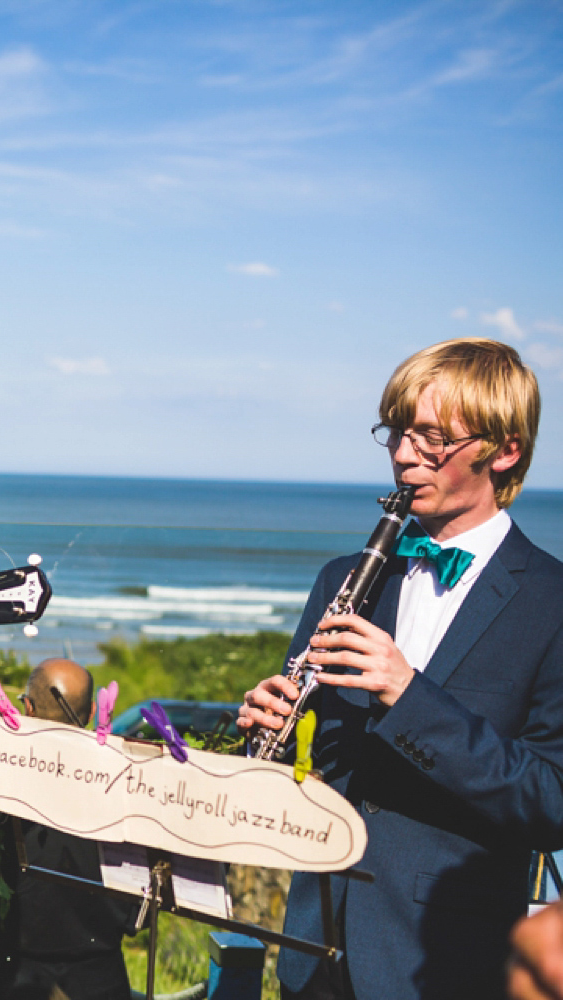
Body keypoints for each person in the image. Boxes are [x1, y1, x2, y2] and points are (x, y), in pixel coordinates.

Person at [237, 338, 563, 1000]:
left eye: (433, 438)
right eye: (398, 432)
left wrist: (409, 695)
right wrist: (261, 738)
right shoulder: (346, 576)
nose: (406, 456)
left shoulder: (551, 602)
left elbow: (550, 803)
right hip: (313, 943)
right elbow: (312, 761)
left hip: (444, 958)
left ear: (505, 452)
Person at [0, 658, 137, 1000]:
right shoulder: (123, 789)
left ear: (26, 707)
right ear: (90, 714)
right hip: (99, 980)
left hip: (5, 977)